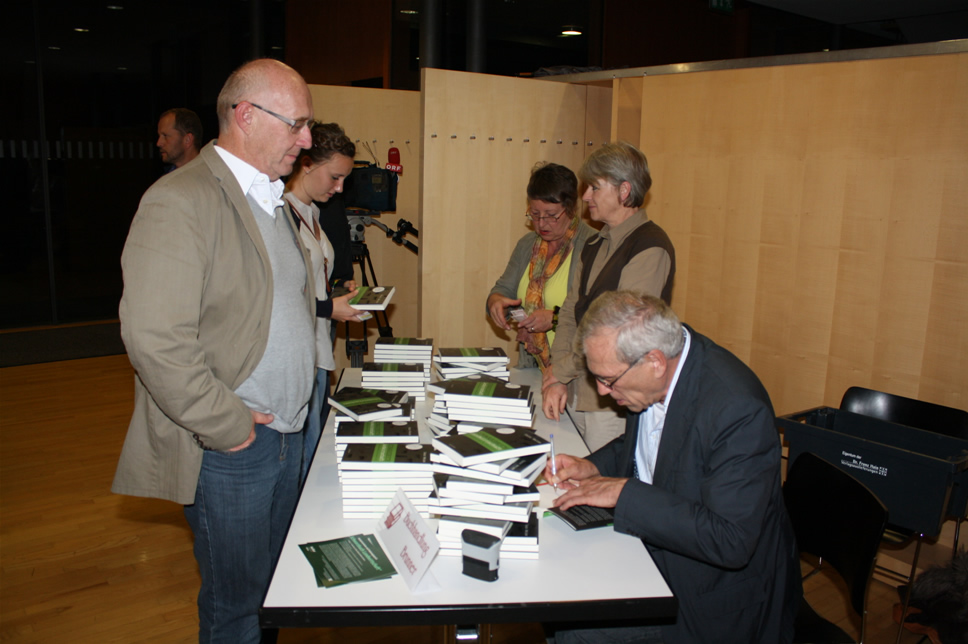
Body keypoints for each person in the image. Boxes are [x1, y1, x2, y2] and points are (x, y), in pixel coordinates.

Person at [112, 59, 317, 643]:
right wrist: (226, 422)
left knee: (271, 593)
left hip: (287, 433)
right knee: (237, 608)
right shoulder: (180, 199)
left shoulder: (271, 200)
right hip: (233, 446)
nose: (306, 140)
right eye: (297, 124)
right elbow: (154, 339)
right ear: (246, 116)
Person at [546, 291, 801, 644]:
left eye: (608, 380)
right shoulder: (658, 373)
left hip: (713, 596)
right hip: (660, 551)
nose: (603, 392)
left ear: (654, 361)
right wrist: (592, 466)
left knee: (575, 630)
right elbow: (649, 445)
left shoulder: (737, 410)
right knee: (560, 587)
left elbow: (731, 540)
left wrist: (624, 493)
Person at [542, 142, 675, 451]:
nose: (586, 196)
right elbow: (570, 313)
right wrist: (559, 375)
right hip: (574, 390)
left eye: (594, 187)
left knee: (600, 477)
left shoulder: (649, 247)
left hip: (611, 404)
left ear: (624, 191)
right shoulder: (593, 245)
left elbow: (621, 336)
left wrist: (560, 371)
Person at [283, 122, 363, 483]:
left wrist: (337, 287)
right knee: (302, 458)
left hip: (316, 346)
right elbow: (279, 299)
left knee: (312, 446)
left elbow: (310, 281)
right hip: (298, 351)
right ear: (306, 163)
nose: (339, 187)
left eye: (344, 179)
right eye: (334, 177)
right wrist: (331, 308)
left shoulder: (312, 212)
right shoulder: (282, 214)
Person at [487, 162, 595, 370]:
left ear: (571, 208)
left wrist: (555, 318)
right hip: (532, 365)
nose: (542, 223)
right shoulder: (527, 245)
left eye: (551, 215)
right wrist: (496, 302)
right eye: (535, 214)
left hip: (576, 371)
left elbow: (601, 314)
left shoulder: (593, 246)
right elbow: (502, 289)